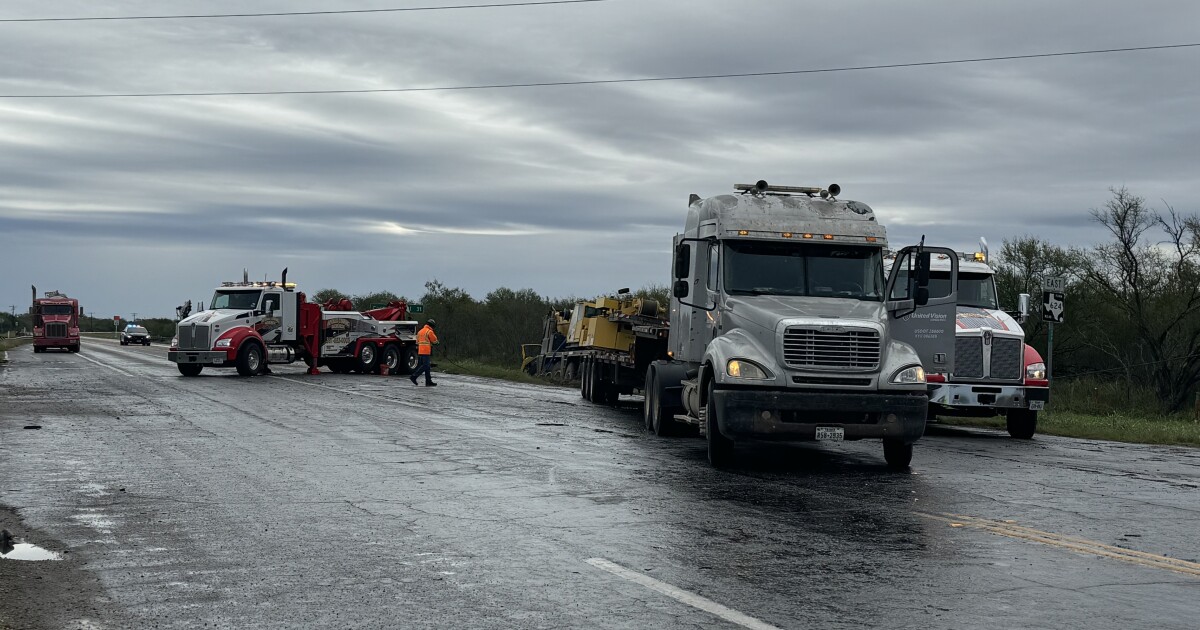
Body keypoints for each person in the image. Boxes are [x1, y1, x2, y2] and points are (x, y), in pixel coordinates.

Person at [410, 318, 439, 386]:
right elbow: (434, 340)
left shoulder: (420, 331)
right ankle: (414, 376)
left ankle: (428, 381)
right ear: (432, 325)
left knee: (427, 367)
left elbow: (417, 342)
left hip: (420, 351)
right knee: (425, 366)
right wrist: (437, 343)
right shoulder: (429, 331)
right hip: (426, 351)